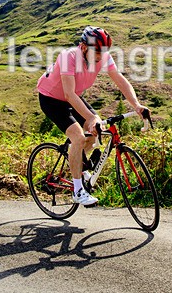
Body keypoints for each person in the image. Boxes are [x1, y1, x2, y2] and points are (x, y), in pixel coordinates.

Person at [37, 26, 149, 207]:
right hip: (52, 99)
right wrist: (90, 118)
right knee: (78, 137)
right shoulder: (68, 57)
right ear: (83, 47)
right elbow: (69, 95)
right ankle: (77, 190)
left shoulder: (103, 56)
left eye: (103, 52)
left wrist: (136, 105)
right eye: (96, 51)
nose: (100, 56)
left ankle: (78, 165)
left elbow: (119, 79)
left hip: (74, 97)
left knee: (98, 131)